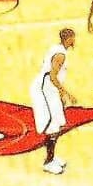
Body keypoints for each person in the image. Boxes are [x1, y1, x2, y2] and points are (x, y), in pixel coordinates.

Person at [31, 26, 75, 174]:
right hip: (45, 90)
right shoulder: (60, 55)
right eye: (73, 38)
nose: (74, 40)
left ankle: (52, 157)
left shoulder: (57, 48)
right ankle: (48, 162)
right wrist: (66, 94)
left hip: (50, 89)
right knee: (52, 126)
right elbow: (52, 77)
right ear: (68, 39)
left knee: (57, 123)